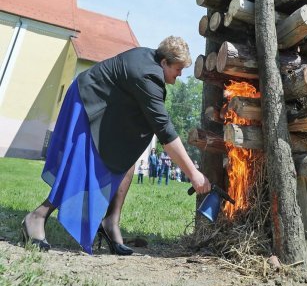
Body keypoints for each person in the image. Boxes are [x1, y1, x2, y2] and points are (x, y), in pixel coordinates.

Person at [21, 36, 211, 255]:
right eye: (178, 69)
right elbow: (165, 131)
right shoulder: (147, 75)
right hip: (88, 101)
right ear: (164, 63)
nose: (180, 74)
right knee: (83, 165)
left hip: (111, 110)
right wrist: (194, 174)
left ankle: (110, 222)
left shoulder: (151, 63)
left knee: (129, 151)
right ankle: (37, 216)